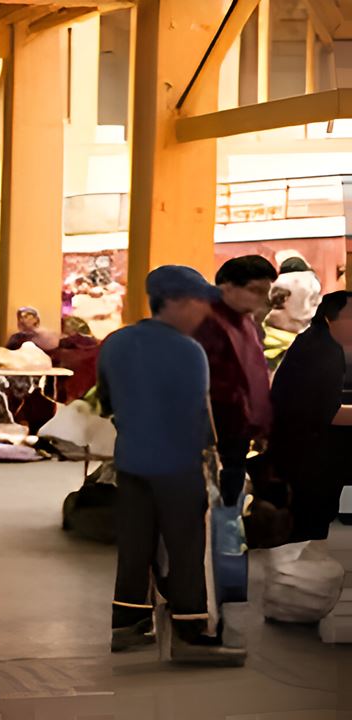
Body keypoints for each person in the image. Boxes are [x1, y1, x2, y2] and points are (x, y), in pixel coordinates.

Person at [97, 265, 243, 664]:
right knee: (186, 547)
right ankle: (190, 633)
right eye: (198, 302)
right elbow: (200, 413)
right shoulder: (188, 351)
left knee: (134, 545)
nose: (204, 312)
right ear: (174, 302)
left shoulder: (115, 343)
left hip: (131, 462)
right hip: (179, 463)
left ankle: (128, 626)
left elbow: (106, 402)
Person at [269, 291, 352, 542]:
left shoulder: (317, 341)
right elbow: (329, 413)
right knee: (307, 529)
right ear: (330, 318)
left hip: (304, 457)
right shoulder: (322, 351)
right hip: (307, 461)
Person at [194, 255, 277, 507]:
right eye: (255, 290)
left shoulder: (246, 322)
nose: (262, 299)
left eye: (265, 292)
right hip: (215, 425)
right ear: (227, 286)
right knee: (214, 490)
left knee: (231, 485)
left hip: (239, 423)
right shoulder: (205, 321)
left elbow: (255, 371)